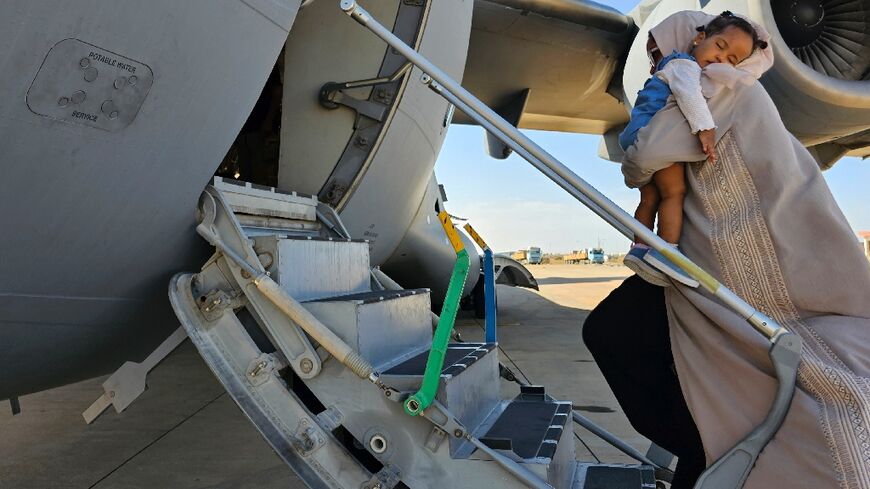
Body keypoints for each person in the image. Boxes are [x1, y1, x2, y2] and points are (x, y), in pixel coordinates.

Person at [584, 10, 870, 489]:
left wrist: (636, 169)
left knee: (612, 333)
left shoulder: (712, 83)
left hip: (740, 261)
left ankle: (710, 451)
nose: (657, 64)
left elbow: (647, 153)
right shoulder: (740, 88)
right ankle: (709, 451)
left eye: (658, 52)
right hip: (774, 253)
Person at [619, 12, 768, 288]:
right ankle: (668, 253)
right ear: (699, 38)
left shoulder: (673, 64)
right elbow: (689, 94)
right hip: (653, 133)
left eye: (731, 60)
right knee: (674, 193)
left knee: (650, 197)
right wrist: (705, 128)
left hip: (636, 132)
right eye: (720, 46)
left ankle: (639, 249)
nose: (720, 59)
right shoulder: (684, 64)